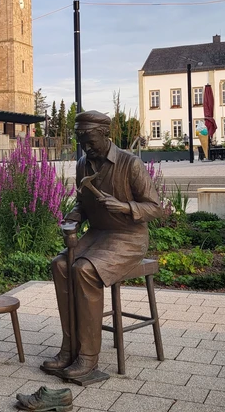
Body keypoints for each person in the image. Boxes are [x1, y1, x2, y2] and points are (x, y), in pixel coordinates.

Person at [42, 110, 163, 379]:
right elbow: (82, 203)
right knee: (60, 265)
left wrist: (124, 206)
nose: (86, 147)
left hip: (129, 238)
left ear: (105, 135)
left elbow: (155, 208)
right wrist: (74, 216)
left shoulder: (130, 164)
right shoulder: (83, 164)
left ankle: (88, 357)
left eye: (90, 141)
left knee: (84, 270)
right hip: (98, 234)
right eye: (81, 141)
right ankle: (69, 348)